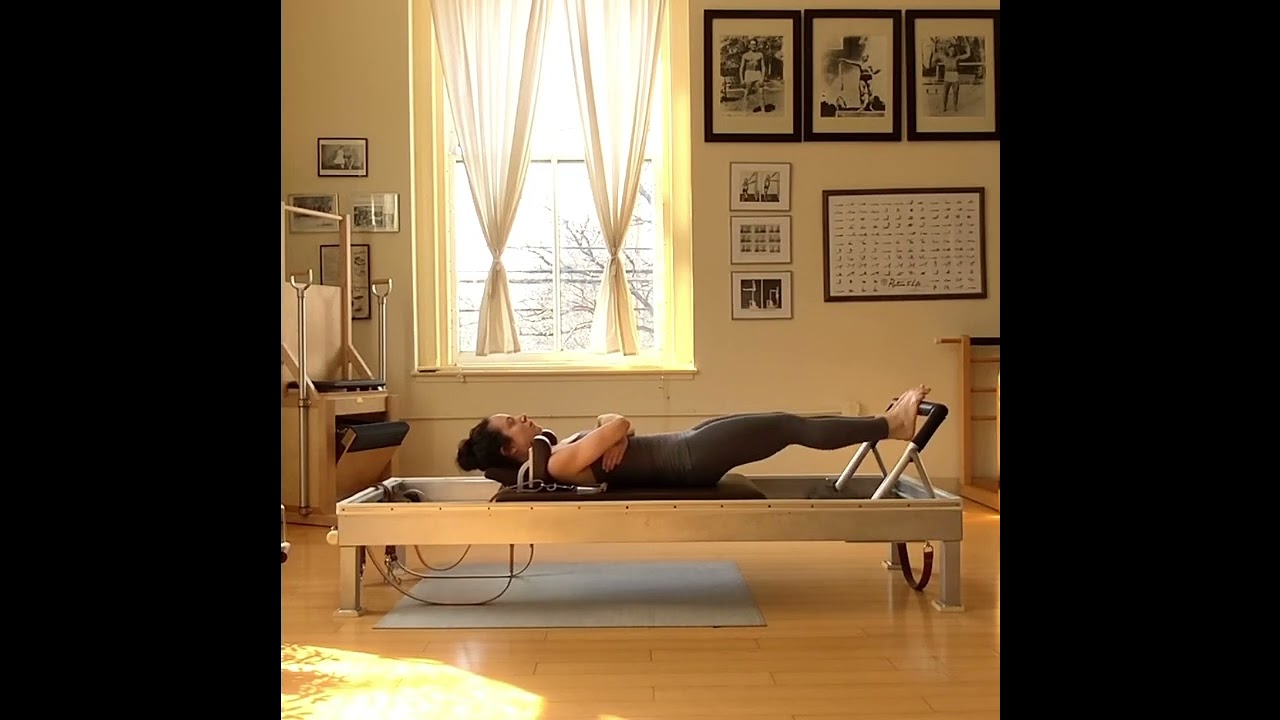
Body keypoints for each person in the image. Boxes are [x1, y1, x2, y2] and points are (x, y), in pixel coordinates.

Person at [455, 385, 931, 488]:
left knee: (781, 419)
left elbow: (612, 418)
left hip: (687, 443)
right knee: (788, 426)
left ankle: (882, 422)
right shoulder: (556, 463)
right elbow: (617, 421)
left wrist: (614, 430)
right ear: (510, 449)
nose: (522, 415)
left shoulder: (557, 452)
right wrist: (616, 430)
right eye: (512, 422)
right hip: (688, 457)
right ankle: (892, 426)